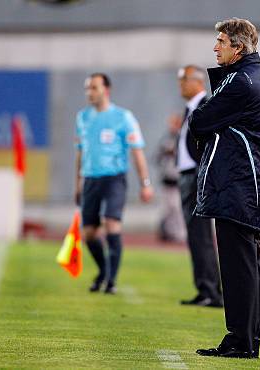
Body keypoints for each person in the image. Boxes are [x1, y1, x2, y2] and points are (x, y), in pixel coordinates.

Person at [189, 18, 260, 358]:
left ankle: (240, 341)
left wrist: (205, 124)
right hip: (252, 184)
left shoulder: (241, 81)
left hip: (237, 185)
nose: (215, 48)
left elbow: (201, 119)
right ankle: (248, 339)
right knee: (249, 264)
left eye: (221, 42)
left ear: (238, 48)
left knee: (238, 267)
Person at [74, 73, 153, 294]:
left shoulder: (123, 117)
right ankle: (103, 271)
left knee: (111, 224)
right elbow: (80, 153)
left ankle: (111, 280)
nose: (90, 92)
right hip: (90, 178)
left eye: (94, 87)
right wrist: (77, 183)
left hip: (114, 179)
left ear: (106, 90)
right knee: (88, 233)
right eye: (87, 88)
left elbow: (137, 152)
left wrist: (145, 183)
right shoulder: (82, 117)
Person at [176, 65, 223, 308]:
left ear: (197, 81)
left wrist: (202, 171)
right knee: (195, 235)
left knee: (201, 235)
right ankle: (205, 288)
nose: (180, 84)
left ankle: (211, 291)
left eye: (183, 79)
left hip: (196, 176)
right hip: (187, 176)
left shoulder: (206, 104)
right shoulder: (190, 108)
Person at [155, 114, 186, 242]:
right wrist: (165, 152)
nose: (172, 127)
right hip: (166, 180)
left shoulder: (183, 138)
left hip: (177, 181)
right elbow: (157, 157)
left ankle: (180, 234)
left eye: (174, 124)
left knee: (177, 209)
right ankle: (166, 232)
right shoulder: (166, 139)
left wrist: (174, 152)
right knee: (166, 209)